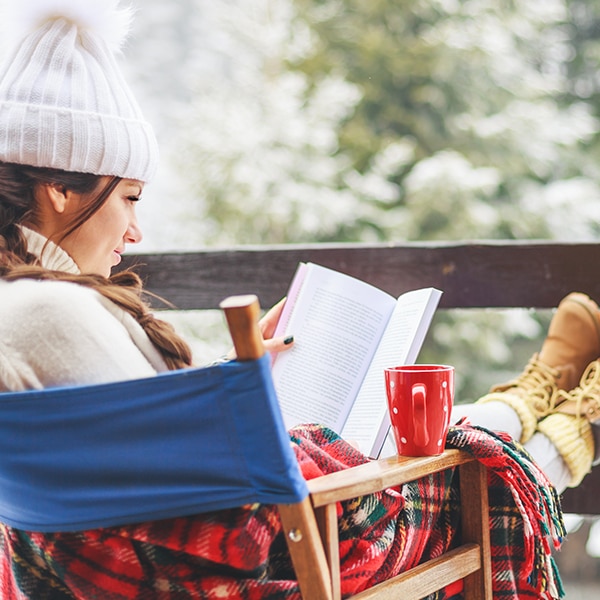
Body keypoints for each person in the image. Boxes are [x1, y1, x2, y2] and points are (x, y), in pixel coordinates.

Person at [0, 1, 589, 598]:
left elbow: (142, 454)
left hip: (141, 570)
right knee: (473, 474)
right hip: (264, 556)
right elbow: (185, 474)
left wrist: (234, 370)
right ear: (59, 189)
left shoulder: (21, 308)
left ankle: (537, 395)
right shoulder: (49, 312)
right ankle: (573, 423)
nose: (135, 231)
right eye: (129, 198)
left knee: (436, 441)